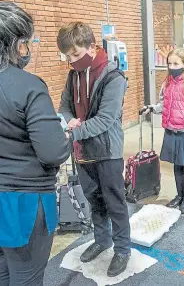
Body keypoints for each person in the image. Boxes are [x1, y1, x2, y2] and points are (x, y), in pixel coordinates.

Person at [0, 2, 71, 285]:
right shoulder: (28, 86)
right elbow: (53, 152)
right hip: (23, 202)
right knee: (26, 276)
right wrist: (63, 135)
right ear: (16, 43)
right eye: (27, 42)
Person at [58, 22, 130, 277]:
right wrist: (70, 120)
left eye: (76, 54)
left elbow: (105, 119)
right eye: (67, 56)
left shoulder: (113, 76)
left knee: (115, 202)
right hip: (83, 150)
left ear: (91, 46)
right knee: (94, 200)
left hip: (107, 151)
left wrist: (72, 131)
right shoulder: (73, 75)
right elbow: (65, 105)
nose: (72, 60)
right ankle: (102, 240)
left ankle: (122, 249)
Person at [144, 48, 184, 214]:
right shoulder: (166, 83)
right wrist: (152, 108)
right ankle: (179, 195)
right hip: (171, 130)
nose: (172, 67)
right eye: (169, 63)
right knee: (177, 165)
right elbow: (165, 105)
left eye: (176, 63)